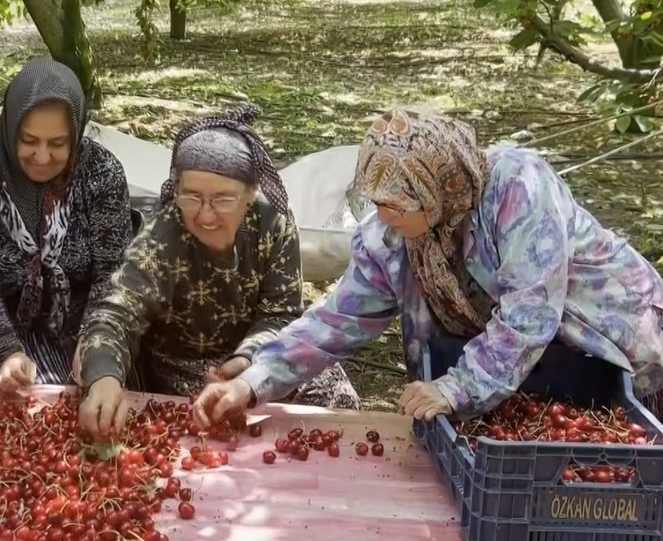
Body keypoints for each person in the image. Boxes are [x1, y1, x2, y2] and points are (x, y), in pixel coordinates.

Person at [194, 108, 663, 428]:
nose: (384, 216)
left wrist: (458, 387)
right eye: (377, 201)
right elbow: (335, 322)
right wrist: (253, 383)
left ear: (436, 187)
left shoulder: (518, 189)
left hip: (612, 340)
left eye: (397, 203)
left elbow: (529, 314)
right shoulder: (396, 238)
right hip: (541, 374)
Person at [77, 105, 360, 436]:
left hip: (260, 356)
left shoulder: (274, 226)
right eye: (192, 197)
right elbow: (114, 316)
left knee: (334, 395)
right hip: (183, 368)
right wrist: (104, 378)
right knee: (204, 418)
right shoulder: (162, 238)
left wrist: (245, 362)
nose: (206, 216)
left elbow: (281, 315)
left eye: (224, 200)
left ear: (250, 194)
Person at [0, 58, 132, 391]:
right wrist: (7, 352)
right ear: (9, 128)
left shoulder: (101, 174)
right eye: (29, 141)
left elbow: (112, 273)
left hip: (85, 330)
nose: (42, 156)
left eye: (58, 144)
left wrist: (95, 344)